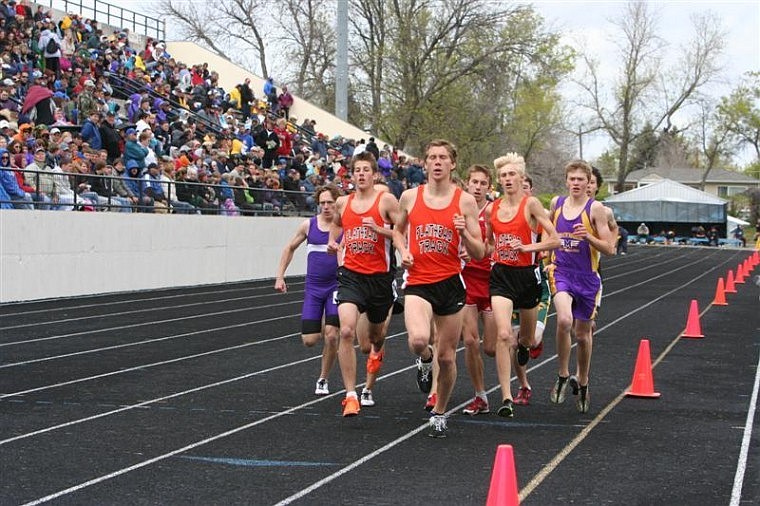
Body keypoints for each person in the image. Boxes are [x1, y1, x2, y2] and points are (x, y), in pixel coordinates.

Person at [393, 139, 485, 437]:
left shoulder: (465, 201)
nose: (436, 162)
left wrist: (464, 236)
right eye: (431, 157)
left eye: (442, 157)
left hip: (450, 283)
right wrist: (402, 251)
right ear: (425, 163)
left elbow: (481, 251)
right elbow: (397, 229)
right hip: (418, 281)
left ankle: (440, 411)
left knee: (447, 357)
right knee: (419, 339)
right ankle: (423, 360)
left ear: (452, 164)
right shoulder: (409, 196)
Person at [326, 151, 400, 417]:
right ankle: (350, 395)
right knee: (345, 331)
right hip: (351, 275)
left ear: (374, 174)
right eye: (357, 170)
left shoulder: (386, 200)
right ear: (352, 174)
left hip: (379, 278)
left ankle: (378, 350)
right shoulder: (343, 203)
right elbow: (335, 226)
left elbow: (405, 229)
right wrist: (334, 243)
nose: (361, 174)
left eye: (366, 170)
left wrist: (381, 230)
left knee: (373, 339)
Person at [485, 153, 559, 417]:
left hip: (527, 276)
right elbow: (489, 243)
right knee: (504, 335)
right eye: (503, 176)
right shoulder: (492, 209)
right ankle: (506, 397)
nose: (507, 179)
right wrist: (478, 249)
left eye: (511, 175)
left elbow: (555, 239)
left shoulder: (532, 205)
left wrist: (528, 247)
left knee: (525, 339)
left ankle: (527, 346)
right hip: (501, 276)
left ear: (520, 177)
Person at [548, 160, 616, 414]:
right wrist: (545, 259)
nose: (576, 183)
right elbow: (544, 233)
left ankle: (584, 380)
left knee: (582, 335)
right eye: (572, 179)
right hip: (562, 272)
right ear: (566, 180)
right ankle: (564, 374)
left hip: (587, 277)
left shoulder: (596, 209)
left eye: (581, 179)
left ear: (589, 183)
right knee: (564, 320)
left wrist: (587, 236)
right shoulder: (556, 205)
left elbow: (609, 249)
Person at [459, 165, 497, 416]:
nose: (478, 187)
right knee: (471, 341)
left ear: (489, 187)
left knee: (491, 348)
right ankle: (480, 395)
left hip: (493, 282)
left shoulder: (494, 210)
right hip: (467, 280)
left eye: (483, 183)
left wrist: (485, 250)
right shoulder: (459, 207)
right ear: (467, 183)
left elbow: (498, 241)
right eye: (474, 182)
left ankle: (520, 340)